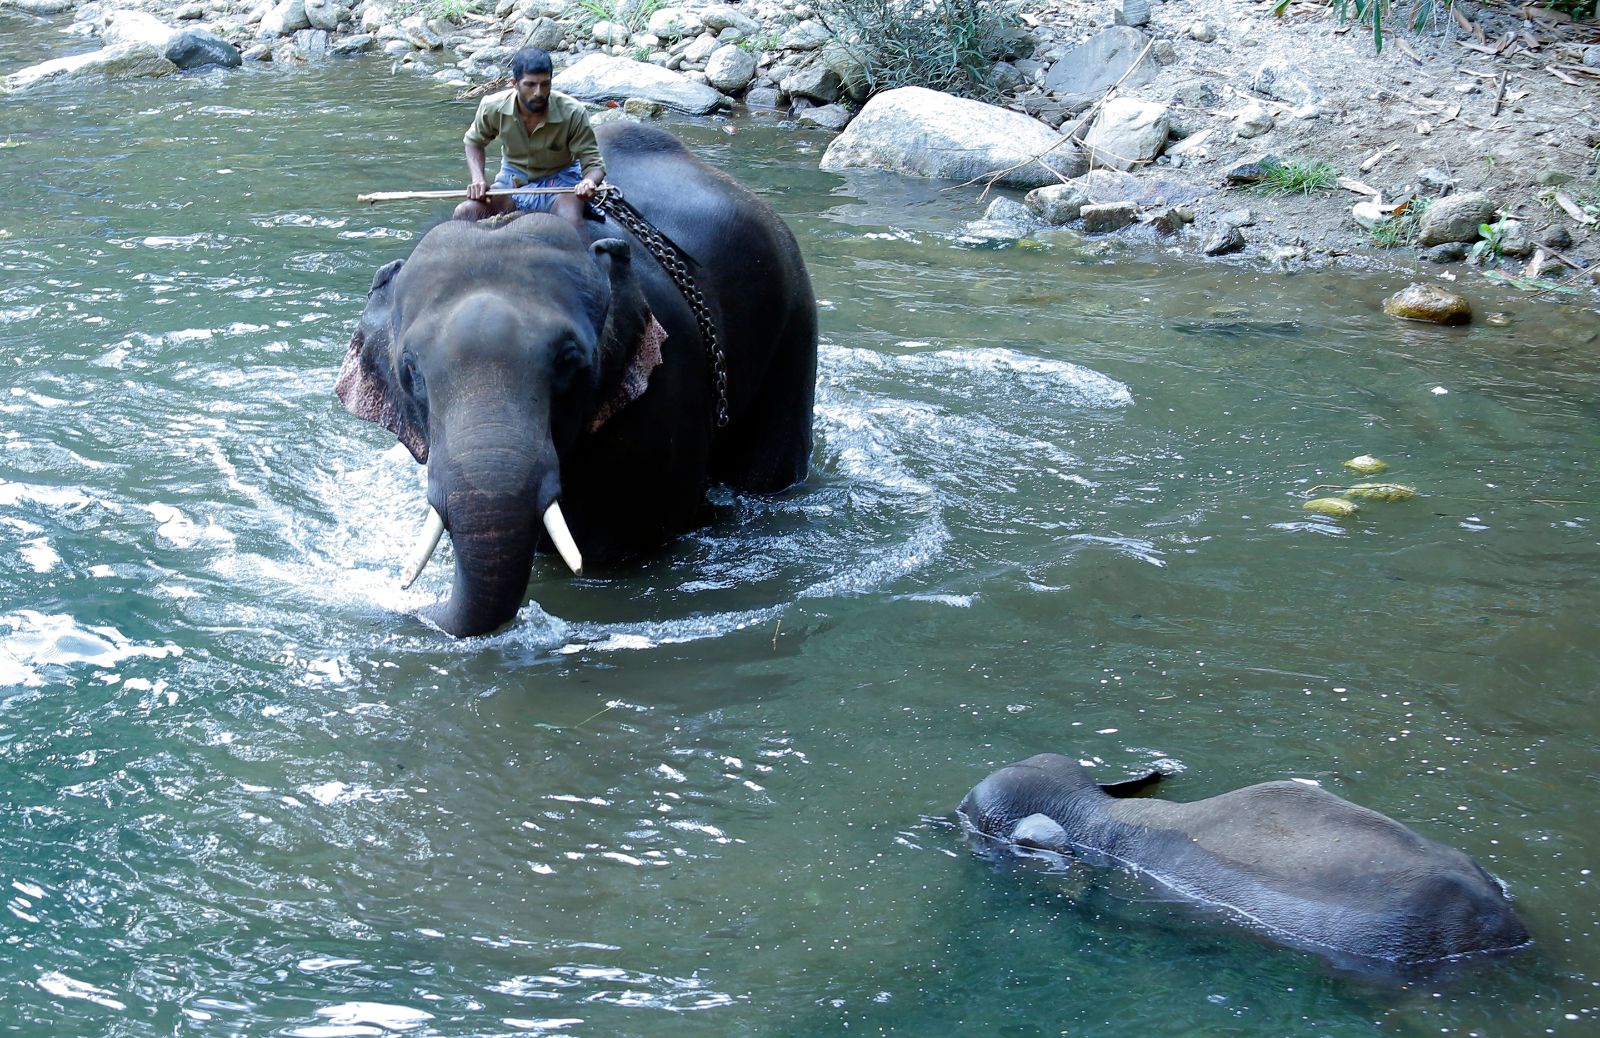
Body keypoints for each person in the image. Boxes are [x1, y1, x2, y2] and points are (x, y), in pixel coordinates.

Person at [452, 47, 605, 225]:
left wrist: (588, 182)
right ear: (514, 83)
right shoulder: (492, 106)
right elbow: (473, 142)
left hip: (561, 183)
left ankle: (586, 252)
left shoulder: (573, 112)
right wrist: (478, 178)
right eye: (530, 85)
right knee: (464, 212)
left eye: (545, 84)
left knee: (570, 219)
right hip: (512, 183)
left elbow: (594, 164)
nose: (539, 92)